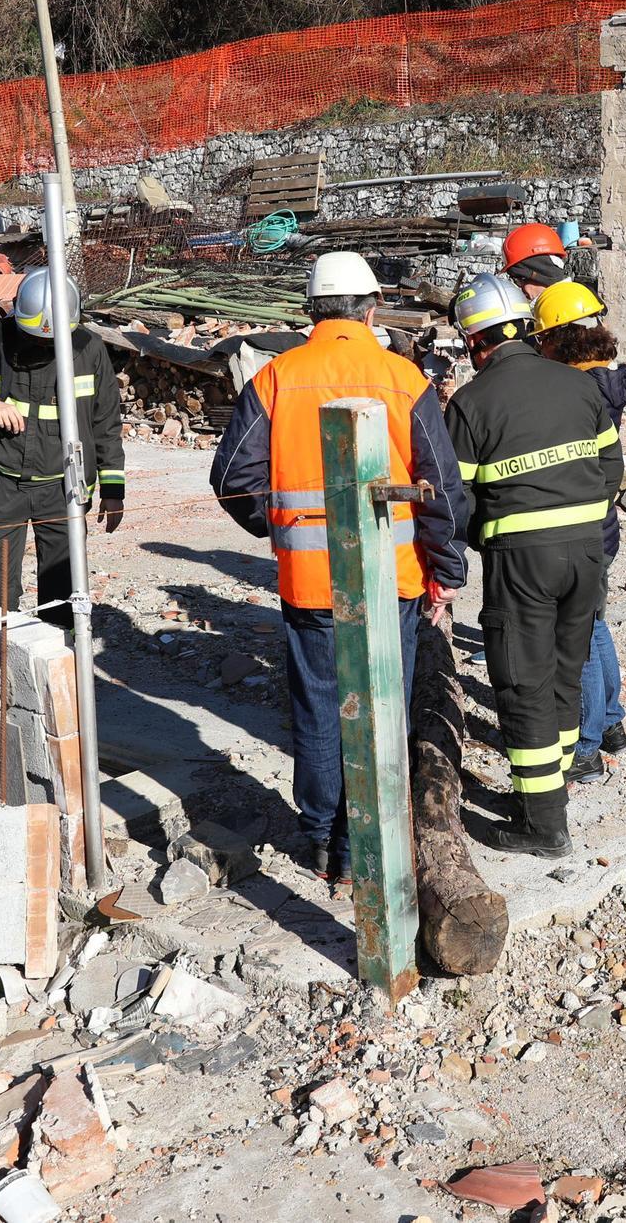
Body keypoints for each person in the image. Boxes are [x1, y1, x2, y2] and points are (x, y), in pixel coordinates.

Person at [210, 252, 467, 882]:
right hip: (394, 581)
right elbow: (441, 488)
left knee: (321, 706)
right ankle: (363, 846)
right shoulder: (404, 378)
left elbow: (232, 477)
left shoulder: (277, 377)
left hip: (310, 583)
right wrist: (446, 573)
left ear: (311, 312)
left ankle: (322, 839)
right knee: (383, 706)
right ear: (371, 309)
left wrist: (280, 527)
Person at [446, 273, 623, 858]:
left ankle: (543, 824)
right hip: (587, 554)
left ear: (477, 344)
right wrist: (586, 527)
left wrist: (488, 539)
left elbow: (457, 501)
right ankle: (562, 778)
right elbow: (612, 470)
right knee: (567, 670)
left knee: (522, 683)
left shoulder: (471, 402)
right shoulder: (579, 387)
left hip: (521, 559)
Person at [0, 267, 126, 629]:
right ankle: (2, 650)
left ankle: (57, 656)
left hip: (63, 486)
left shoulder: (89, 350)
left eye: (50, 341)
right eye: (33, 338)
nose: (42, 346)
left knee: (64, 586)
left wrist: (113, 490)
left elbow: (106, 424)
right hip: (1, 483)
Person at [531, 282, 626, 781]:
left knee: (581, 633)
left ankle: (587, 744)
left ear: (559, 339)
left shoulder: (576, 388)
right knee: (593, 622)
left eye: (542, 338)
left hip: (580, 526)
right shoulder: (606, 380)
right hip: (601, 522)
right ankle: (611, 721)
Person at [500, 221, 569, 300]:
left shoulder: (555, 308)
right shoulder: (575, 299)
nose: (522, 290)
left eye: (519, 280)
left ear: (541, 274)